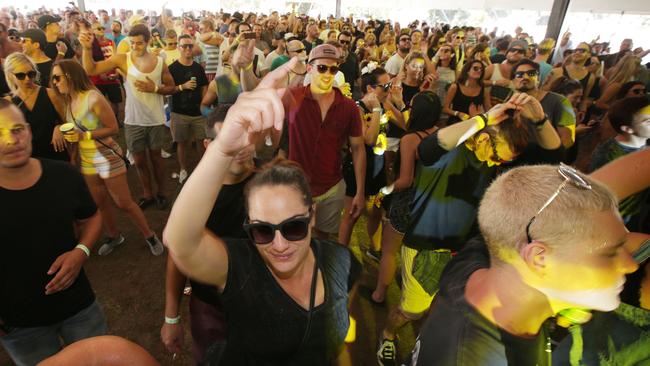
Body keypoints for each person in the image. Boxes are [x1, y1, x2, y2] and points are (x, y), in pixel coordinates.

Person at [163, 59, 361, 365]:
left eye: (293, 226)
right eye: (262, 231)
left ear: (312, 215)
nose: (278, 243)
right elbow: (180, 244)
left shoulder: (341, 264)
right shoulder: (243, 269)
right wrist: (221, 150)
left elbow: (336, 345)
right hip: (210, 305)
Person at [377, 93, 562, 365]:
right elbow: (430, 146)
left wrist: (540, 118)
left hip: (463, 252)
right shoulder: (451, 149)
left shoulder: (499, 157)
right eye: (498, 157)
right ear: (485, 138)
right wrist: (485, 118)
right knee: (411, 310)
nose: (498, 165)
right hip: (425, 248)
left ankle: (421, 343)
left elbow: (555, 153)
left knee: (440, 306)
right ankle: (388, 335)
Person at [407, 163, 638, 366]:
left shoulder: (486, 258)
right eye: (610, 253)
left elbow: (555, 214)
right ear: (539, 258)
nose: (631, 265)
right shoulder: (480, 359)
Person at [0, 99, 107, 365]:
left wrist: (80, 252)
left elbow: (91, 217)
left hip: (79, 306)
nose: (12, 141)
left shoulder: (63, 175)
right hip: (20, 324)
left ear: (28, 130)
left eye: (16, 130)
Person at [161, 105, 253, 363]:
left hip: (258, 305)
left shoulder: (269, 184)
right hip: (209, 307)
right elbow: (177, 256)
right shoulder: (196, 196)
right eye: (228, 141)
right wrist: (171, 317)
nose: (239, 148)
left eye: (244, 138)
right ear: (207, 145)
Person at [51, 60, 163, 256]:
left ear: (71, 76)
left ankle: (150, 235)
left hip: (106, 156)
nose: (54, 82)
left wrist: (83, 135)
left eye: (57, 77)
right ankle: (114, 236)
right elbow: (72, 129)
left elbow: (113, 128)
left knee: (123, 202)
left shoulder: (92, 97)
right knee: (100, 201)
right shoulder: (68, 100)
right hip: (87, 159)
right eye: (53, 78)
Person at [79, 23, 176, 210]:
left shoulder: (159, 62)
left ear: (147, 42)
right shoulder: (122, 59)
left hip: (155, 119)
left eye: (139, 43)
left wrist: (155, 89)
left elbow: (171, 88)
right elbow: (91, 69)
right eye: (132, 43)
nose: (135, 47)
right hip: (133, 120)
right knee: (139, 161)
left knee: (156, 158)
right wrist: (86, 48)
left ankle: (161, 192)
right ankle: (148, 193)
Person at [277, 44, 367, 239]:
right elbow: (257, 94)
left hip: (331, 187)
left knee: (323, 241)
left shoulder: (348, 107)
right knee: (293, 238)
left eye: (333, 69)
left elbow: (358, 149)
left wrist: (360, 191)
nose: (328, 73)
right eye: (322, 68)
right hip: (295, 186)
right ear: (310, 68)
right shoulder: (293, 97)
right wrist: (244, 68)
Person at [371, 90, 441, 305]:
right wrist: (395, 104)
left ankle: (379, 294)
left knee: (390, 252)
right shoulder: (440, 134)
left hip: (407, 202)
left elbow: (405, 180)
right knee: (416, 252)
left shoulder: (411, 139)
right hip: (431, 202)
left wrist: (384, 191)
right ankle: (415, 296)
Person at [338, 68, 389, 247]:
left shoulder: (384, 104)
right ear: (370, 88)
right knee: (351, 215)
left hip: (378, 164)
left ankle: (374, 247)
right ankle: (340, 254)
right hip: (359, 166)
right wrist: (376, 110)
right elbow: (369, 139)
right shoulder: (357, 108)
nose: (389, 90)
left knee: (377, 210)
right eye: (385, 86)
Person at [589, 96, 649, 231]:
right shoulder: (608, 155)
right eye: (648, 121)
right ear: (628, 129)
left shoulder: (645, 144)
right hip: (618, 225)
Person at [4, 52, 67, 161]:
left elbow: (70, 121)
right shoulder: (8, 103)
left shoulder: (50, 94)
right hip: (27, 159)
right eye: (20, 75)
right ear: (10, 75)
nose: (27, 79)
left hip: (56, 156)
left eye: (31, 74)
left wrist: (60, 127)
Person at [168, 34, 209, 183]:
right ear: (178, 48)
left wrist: (203, 104)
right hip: (179, 112)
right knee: (182, 142)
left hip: (198, 112)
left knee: (201, 141)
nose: (187, 49)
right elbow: (167, 89)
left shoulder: (198, 68)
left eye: (190, 46)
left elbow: (204, 86)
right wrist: (182, 87)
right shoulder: (172, 68)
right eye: (184, 46)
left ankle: (203, 170)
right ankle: (183, 169)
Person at [511, 59, 576, 151]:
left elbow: (568, 139)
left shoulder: (561, 101)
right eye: (519, 74)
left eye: (531, 73)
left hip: (546, 159)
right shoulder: (509, 102)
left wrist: (549, 158)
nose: (525, 77)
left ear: (538, 78)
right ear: (513, 81)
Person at [88, 22, 121, 120]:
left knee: (115, 100)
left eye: (102, 28)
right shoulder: (90, 45)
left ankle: (115, 119)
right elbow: (89, 61)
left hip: (112, 76)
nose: (101, 30)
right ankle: (103, 121)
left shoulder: (111, 42)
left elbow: (116, 58)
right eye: (98, 28)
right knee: (98, 102)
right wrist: (100, 73)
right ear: (92, 31)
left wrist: (117, 73)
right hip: (97, 78)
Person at [444, 59, 491, 124]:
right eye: (475, 68)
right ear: (467, 71)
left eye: (481, 69)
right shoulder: (455, 87)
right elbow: (445, 109)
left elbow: (489, 111)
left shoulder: (484, 90)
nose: (479, 71)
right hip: (456, 122)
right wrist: (458, 113)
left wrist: (481, 116)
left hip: (475, 123)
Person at [484, 40, 526, 104]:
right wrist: (495, 82)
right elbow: (476, 81)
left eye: (520, 52)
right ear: (507, 53)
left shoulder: (523, 76)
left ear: (524, 56)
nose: (515, 53)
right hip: (485, 110)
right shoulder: (493, 68)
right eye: (512, 50)